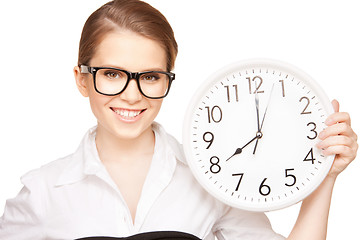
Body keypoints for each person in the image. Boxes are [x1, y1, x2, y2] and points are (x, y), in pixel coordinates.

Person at [0, 0, 357, 239]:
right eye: (112, 74)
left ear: (167, 79)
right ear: (82, 78)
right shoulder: (43, 192)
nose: (132, 94)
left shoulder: (213, 181)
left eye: (151, 76)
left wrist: (323, 177)